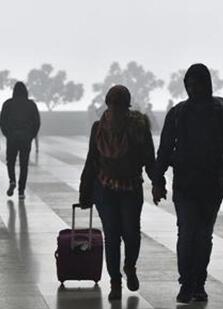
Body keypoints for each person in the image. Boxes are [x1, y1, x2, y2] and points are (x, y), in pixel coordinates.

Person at [152, 64, 223, 304]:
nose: (194, 89)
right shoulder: (184, 112)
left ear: (206, 84)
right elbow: (164, 150)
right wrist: (158, 179)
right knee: (191, 235)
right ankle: (189, 284)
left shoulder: (217, 111)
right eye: (190, 85)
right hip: (192, 185)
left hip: (205, 185)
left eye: (197, 84)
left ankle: (196, 284)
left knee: (200, 235)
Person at [79, 85, 155, 301]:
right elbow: (92, 161)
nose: (115, 107)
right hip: (105, 188)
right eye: (112, 103)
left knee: (131, 233)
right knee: (112, 236)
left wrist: (158, 182)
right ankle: (115, 281)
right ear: (107, 103)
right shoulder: (98, 128)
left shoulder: (138, 127)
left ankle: (129, 267)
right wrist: (85, 191)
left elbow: (149, 158)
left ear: (126, 105)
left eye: (119, 103)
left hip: (131, 187)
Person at [0, 82, 40, 200]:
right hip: (26, 138)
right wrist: (31, 136)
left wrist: (7, 134)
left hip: (12, 138)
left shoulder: (7, 104)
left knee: (10, 161)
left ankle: (12, 180)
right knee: (24, 164)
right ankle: (21, 191)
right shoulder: (31, 105)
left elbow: (2, 122)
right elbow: (36, 122)